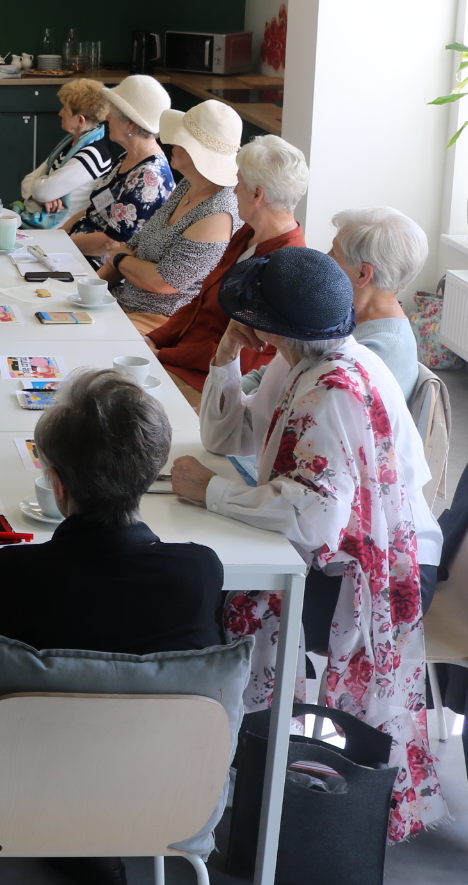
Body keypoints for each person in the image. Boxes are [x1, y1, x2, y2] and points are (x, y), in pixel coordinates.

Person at [169, 248, 445, 842]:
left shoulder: (332, 393)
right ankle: (225, 759)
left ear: (276, 326)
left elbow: (318, 518)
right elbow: (226, 434)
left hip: (373, 571)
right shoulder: (301, 363)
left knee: (215, 592)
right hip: (347, 549)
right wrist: (226, 353)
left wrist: (211, 493)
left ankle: (223, 769)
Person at [0, 368, 224, 885]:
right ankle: (96, 850)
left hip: (13, 784)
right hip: (157, 785)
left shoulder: (14, 573)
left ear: (58, 486)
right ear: (151, 472)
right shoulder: (199, 572)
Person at [146, 135, 309, 402]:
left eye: (239, 182)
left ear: (258, 195)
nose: (234, 191)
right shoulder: (248, 232)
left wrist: (163, 354)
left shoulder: (285, 266)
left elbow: (243, 355)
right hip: (181, 357)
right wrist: (155, 339)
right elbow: (201, 301)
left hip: (209, 379)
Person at [97, 99, 240, 333]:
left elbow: (164, 281)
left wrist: (120, 259)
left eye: (181, 139)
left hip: (161, 321)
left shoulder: (219, 211)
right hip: (124, 302)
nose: (171, 142)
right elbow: (134, 244)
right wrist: (92, 287)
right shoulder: (188, 185)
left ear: (197, 153)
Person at [66, 75, 176, 263]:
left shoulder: (148, 176)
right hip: (76, 250)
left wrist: (61, 244)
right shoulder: (129, 157)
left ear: (130, 124)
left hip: (98, 266)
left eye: (113, 112)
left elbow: (111, 243)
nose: (107, 117)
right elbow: (92, 210)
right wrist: (54, 237)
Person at [327, 208, 429, 400]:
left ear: (363, 274)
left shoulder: (380, 349)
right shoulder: (345, 314)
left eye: (334, 252)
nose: (326, 258)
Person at [17, 77, 116, 228]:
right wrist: (42, 194)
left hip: (56, 228)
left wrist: (41, 193)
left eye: (65, 108)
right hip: (34, 216)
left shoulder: (92, 156)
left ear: (80, 121)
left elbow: (42, 192)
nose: (60, 113)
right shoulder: (71, 143)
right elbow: (27, 181)